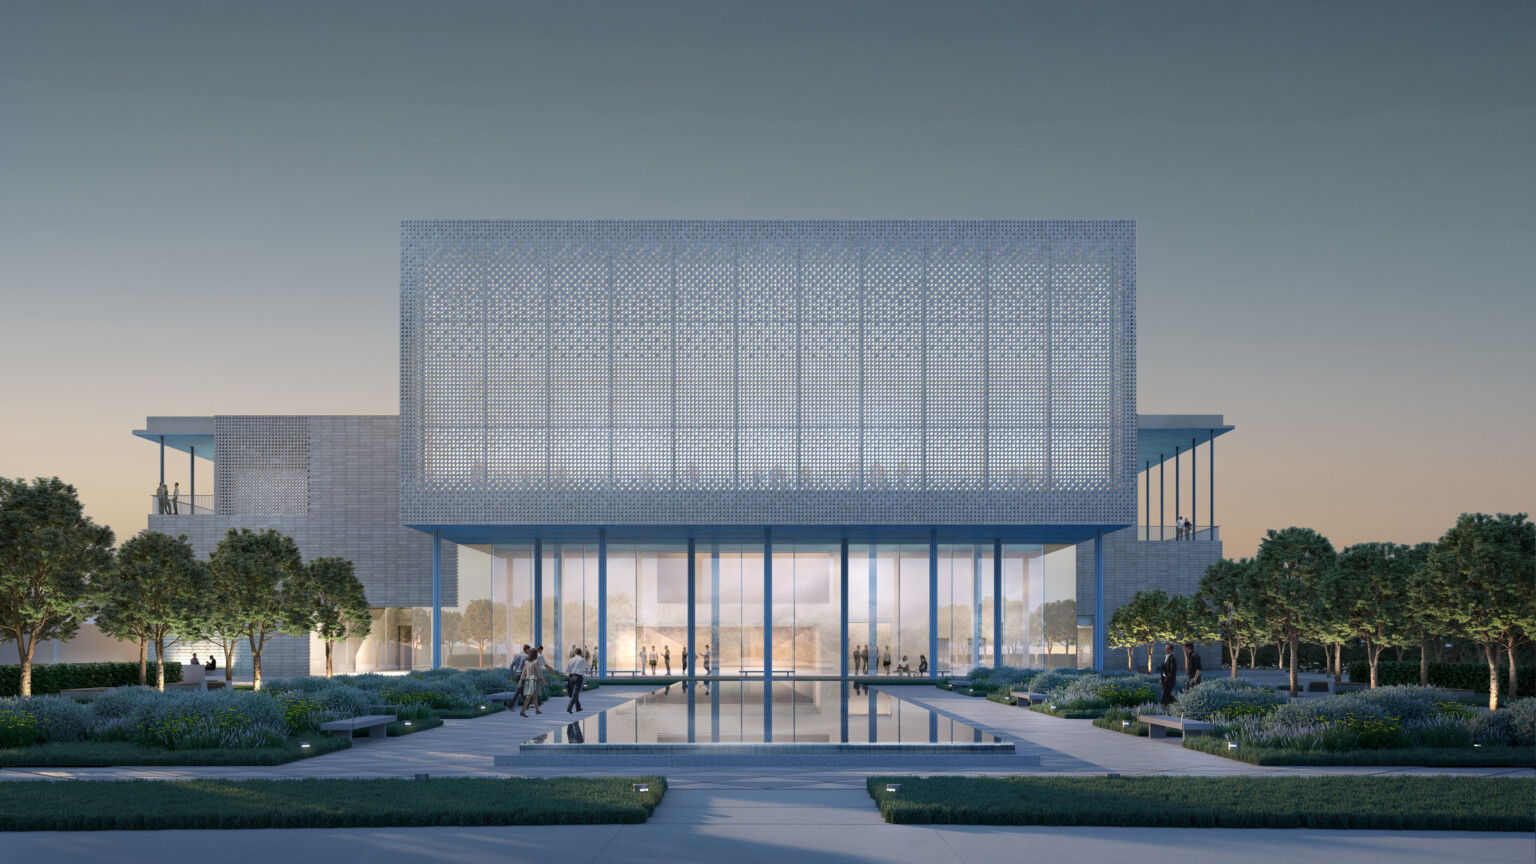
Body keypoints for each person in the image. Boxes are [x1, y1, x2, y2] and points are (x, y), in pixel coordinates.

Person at [519, 646, 545, 716]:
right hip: (534, 681)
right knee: (529, 697)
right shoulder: (536, 662)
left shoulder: (527, 662)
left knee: (534, 697)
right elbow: (538, 672)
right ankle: (522, 711)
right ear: (535, 655)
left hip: (528, 680)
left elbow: (524, 671)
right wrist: (543, 680)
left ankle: (537, 710)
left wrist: (521, 680)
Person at [564, 647, 591, 713]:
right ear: (581, 653)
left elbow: (566, 670)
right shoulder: (582, 660)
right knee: (575, 693)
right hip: (578, 677)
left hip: (571, 677)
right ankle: (569, 708)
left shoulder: (570, 660)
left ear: (575, 653)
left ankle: (578, 707)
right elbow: (589, 667)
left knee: (574, 693)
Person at [509, 643, 530, 710]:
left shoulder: (517, 655)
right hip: (523, 675)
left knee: (522, 690)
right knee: (519, 690)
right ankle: (510, 705)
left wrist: (511, 675)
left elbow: (511, 666)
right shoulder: (526, 657)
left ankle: (526, 705)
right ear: (526, 649)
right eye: (529, 650)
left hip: (517, 674)